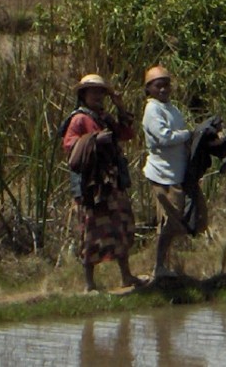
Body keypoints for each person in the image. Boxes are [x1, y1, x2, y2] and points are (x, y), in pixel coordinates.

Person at [60, 73, 141, 293]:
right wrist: (94, 140)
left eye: (100, 92)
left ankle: (126, 275)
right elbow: (70, 147)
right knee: (92, 230)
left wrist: (120, 106)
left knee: (121, 225)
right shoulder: (79, 119)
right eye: (93, 91)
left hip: (112, 182)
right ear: (83, 94)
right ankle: (89, 284)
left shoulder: (104, 117)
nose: (97, 96)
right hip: (92, 186)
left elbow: (126, 133)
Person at [141, 65, 208, 280]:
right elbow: (164, 137)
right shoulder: (152, 110)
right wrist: (189, 134)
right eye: (158, 86)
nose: (163, 89)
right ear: (149, 89)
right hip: (162, 175)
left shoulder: (171, 109)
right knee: (169, 222)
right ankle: (159, 267)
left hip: (177, 173)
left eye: (166, 85)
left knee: (181, 219)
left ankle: (166, 266)